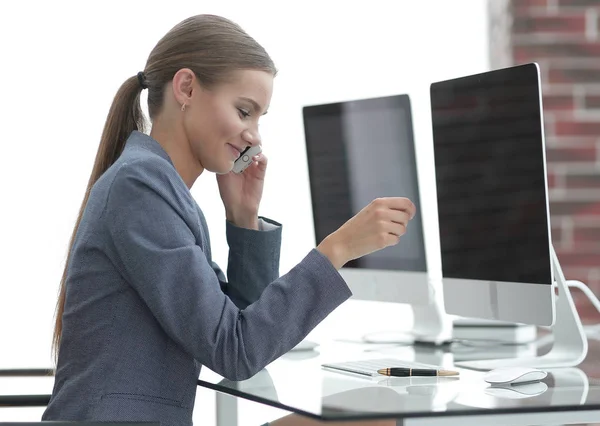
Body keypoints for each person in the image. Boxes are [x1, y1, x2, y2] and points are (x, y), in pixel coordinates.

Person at [42, 14, 415, 426]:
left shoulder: (155, 186)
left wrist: (243, 220)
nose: (254, 134)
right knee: (374, 417)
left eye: (259, 118)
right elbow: (235, 351)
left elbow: (238, 337)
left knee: (370, 415)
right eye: (244, 111)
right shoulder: (140, 187)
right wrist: (338, 250)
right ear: (186, 87)